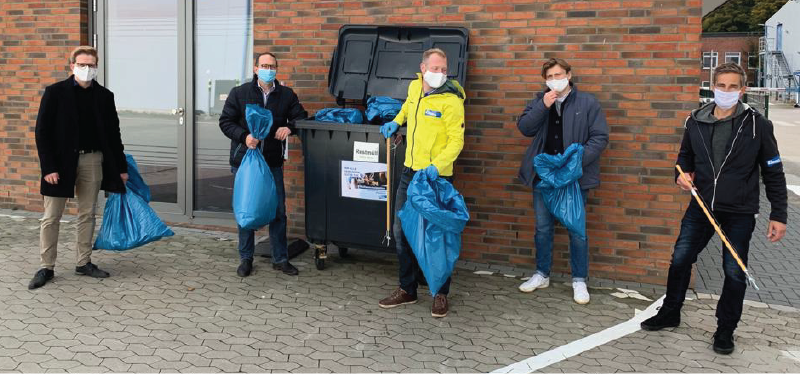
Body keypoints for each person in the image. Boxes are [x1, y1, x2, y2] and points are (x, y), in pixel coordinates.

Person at [641, 62, 787, 355]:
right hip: (701, 207)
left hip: (739, 212)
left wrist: (779, 214)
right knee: (680, 259)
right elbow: (684, 159)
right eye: (722, 86)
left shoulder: (759, 125)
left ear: (742, 89)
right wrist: (680, 175)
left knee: (734, 272)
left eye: (733, 86)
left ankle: (725, 330)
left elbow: (773, 171)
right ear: (712, 86)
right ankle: (671, 312)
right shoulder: (695, 120)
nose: (727, 91)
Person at [30, 46, 129, 289]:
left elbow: (114, 134)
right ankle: (46, 267)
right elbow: (42, 132)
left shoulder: (105, 96)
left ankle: (83, 262)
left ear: (97, 67)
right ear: (72, 65)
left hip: (92, 161)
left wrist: (121, 167)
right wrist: (48, 167)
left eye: (91, 65)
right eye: (82, 64)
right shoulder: (55, 93)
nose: (87, 69)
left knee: (87, 213)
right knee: (51, 216)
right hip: (60, 164)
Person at [377, 48, 465, 318]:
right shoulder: (415, 88)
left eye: (444, 69)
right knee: (402, 231)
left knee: (436, 236)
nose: (440, 74)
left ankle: (440, 294)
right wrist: (395, 121)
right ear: (423, 68)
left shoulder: (452, 101)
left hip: (436, 178)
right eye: (435, 68)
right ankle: (408, 289)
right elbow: (407, 108)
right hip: (409, 173)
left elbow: (456, 141)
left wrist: (435, 168)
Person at [516, 58, 609, 304]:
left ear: (569, 74)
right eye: (550, 77)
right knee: (542, 227)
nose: (555, 80)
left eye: (559, 74)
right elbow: (524, 127)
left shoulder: (587, 102)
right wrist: (542, 107)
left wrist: (576, 164)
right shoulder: (540, 101)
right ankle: (541, 274)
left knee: (576, 230)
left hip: (575, 177)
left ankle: (579, 279)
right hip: (544, 176)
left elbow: (599, 138)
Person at [219, 52, 307, 277]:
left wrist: (291, 127)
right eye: (265, 65)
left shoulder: (286, 95)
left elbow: (301, 117)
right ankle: (246, 258)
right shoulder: (240, 93)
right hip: (245, 162)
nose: (269, 69)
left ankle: (281, 258)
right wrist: (244, 136)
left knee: (278, 211)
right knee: (247, 210)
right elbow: (225, 122)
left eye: (273, 66)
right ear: (255, 68)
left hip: (272, 162)